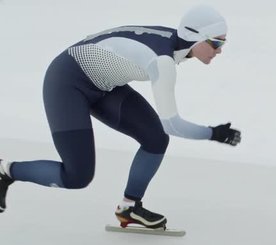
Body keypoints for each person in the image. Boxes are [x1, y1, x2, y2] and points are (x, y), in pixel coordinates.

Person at [0, 5, 241, 228]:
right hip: (67, 82)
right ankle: (6, 170)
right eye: (216, 43)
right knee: (77, 176)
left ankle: (129, 208)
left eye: (222, 44)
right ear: (196, 37)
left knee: (155, 139)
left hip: (104, 85)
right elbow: (172, 124)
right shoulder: (163, 61)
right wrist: (213, 133)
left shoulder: (174, 41)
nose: (219, 51)